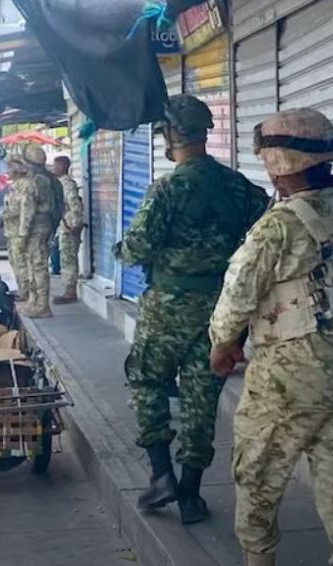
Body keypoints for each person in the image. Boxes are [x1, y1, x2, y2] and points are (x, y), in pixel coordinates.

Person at [201, 109, 333, 566]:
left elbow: (238, 294)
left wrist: (222, 345)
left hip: (285, 380)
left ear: (280, 162)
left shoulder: (279, 224)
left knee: (256, 476)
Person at [114, 94, 269, 525]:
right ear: (204, 131)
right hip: (221, 312)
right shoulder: (241, 187)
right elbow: (262, 241)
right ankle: (190, 493)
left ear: (169, 134)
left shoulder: (166, 189)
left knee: (147, 381)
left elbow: (137, 248)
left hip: (167, 309)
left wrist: (120, 249)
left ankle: (161, 474)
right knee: (203, 395)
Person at [15, 144, 58, 318]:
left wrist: (22, 235)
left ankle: (42, 305)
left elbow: (27, 211)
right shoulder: (49, 179)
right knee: (34, 265)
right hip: (45, 227)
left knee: (38, 267)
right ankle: (35, 302)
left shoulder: (33, 182)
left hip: (35, 229)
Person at [1, 153, 33, 304]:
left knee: (21, 263)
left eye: (9, 167)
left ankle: (25, 291)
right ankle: (22, 289)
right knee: (15, 262)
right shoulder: (15, 186)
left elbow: (20, 209)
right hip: (12, 230)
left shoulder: (25, 185)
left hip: (19, 231)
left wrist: (3, 215)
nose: (7, 171)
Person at [52, 156, 84, 304]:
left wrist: (74, 224)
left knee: (69, 259)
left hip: (69, 227)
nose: (54, 168)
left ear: (62, 166)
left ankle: (70, 292)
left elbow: (74, 204)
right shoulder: (60, 183)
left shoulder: (67, 184)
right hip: (64, 226)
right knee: (65, 258)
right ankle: (68, 289)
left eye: (55, 165)